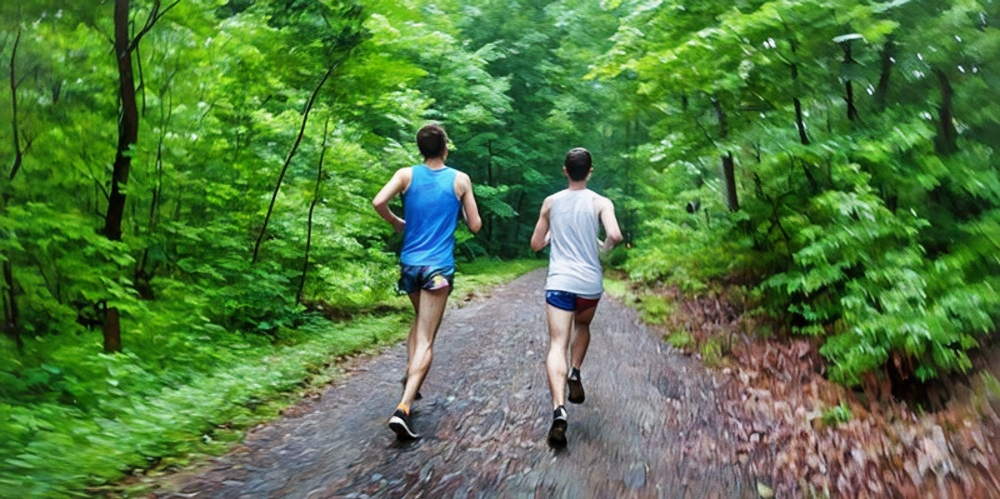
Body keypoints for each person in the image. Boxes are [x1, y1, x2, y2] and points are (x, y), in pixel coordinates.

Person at [372, 123, 482, 440]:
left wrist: (397, 222)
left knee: (421, 320)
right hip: (438, 270)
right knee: (427, 339)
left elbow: (378, 202)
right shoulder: (460, 180)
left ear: (421, 148)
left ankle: (411, 374)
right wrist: (461, 209)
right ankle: (403, 408)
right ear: (445, 146)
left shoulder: (406, 175)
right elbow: (475, 225)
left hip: (410, 265)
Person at [529, 147, 622, 447]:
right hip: (589, 285)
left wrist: (551, 235)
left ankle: (559, 409)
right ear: (590, 171)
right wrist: (604, 248)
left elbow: (536, 244)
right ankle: (575, 371)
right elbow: (615, 235)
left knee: (557, 343)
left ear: (565, 170)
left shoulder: (551, 202)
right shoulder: (601, 202)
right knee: (582, 326)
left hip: (560, 282)